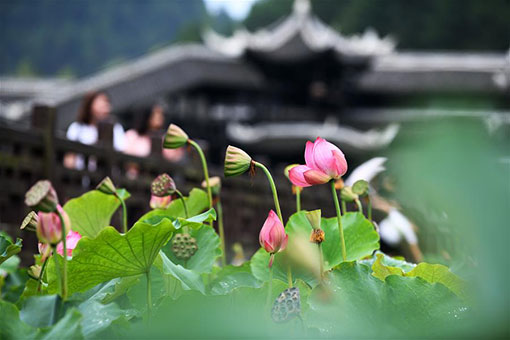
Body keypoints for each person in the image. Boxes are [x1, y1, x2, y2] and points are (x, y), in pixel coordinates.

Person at [64, 91, 125, 170]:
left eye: (106, 103)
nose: (105, 107)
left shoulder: (116, 128)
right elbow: (70, 157)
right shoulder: (77, 127)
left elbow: (120, 151)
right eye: (100, 103)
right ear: (90, 105)